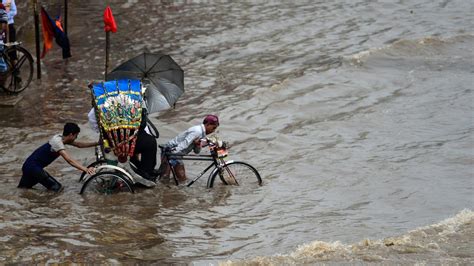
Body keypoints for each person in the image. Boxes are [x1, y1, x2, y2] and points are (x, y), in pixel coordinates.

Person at [18, 123, 97, 192]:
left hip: (29, 166)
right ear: (71, 135)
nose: (76, 138)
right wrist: (86, 169)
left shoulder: (61, 138)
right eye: (76, 136)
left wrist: (97, 143)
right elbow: (69, 160)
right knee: (57, 188)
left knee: (23, 189)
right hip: (33, 167)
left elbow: (79, 145)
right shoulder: (57, 142)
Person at [88, 107, 159, 181]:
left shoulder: (101, 104)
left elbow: (92, 119)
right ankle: (146, 172)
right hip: (125, 142)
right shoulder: (132, 101)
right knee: (151, 143)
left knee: (145, 141)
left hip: (110, 139)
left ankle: (138, 168)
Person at [160, 115, 219, 183]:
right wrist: (172, 152)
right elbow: (185, 143)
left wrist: (197, 144)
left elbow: (197, 151)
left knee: (177, 178)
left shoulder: (202, 134)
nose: (213, 131)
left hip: (177, 154)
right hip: (171, 151)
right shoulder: (197, 131)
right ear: (208, 124)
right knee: (168, 177)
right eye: (213, 128)